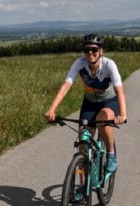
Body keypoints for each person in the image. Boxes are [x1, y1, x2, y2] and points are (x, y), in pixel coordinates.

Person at [45, 33, 127, 173]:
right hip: (89, 103)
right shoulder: (79, 64)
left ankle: (111, 154)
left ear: (101, 51)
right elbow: (66, 86)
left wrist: (123, 114)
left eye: (94, 50)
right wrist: (52, 109)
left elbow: (119, 91)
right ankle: (82, 186)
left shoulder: (109, 65)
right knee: (82, 144)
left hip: (108, 102)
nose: (90, 53)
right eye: (86, 50)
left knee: (102, 121)